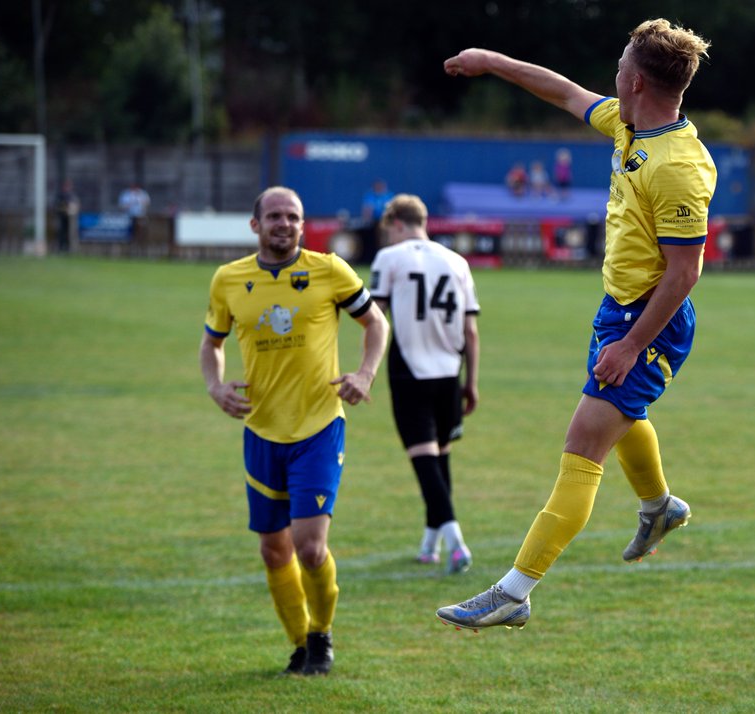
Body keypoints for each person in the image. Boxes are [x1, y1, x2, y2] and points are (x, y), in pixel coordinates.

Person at [437, 18, 716, 631]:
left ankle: (515, 591)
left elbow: (684, 273)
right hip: (618, 309)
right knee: (619, 414)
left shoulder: (679, 165)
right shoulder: (628, 123)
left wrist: (631, 345)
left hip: (650, 321)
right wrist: (490, 59)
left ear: (635, 80)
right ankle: (659, 506)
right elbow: (564, 91)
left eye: (620, 65)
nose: (613, 73)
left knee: (583, 444)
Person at [199, 186, 389, 675]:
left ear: (303, 225)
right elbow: (211, 343)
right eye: (275, 216)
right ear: (255, 225)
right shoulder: (228, 279)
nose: (284, 224)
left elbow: (376, 323)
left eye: (293, 217)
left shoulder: (330, 270)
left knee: (310, 547)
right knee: (273, 549)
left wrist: (365, 374)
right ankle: (300, 643)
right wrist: (215, 386)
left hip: (318, 428)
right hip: (261, 431)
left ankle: (321, 636)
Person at [368, 194, 480, 574]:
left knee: (424, 461)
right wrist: (471, 382)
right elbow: (471, 331)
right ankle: (430, 545)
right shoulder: (457, 262)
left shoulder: (389, 258)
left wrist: (364, 368)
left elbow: (375, 317)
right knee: (440, 457)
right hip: (449, 370)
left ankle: (456, 542)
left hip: (409, 369)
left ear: (397, 223)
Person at [54, 179, 80, 253]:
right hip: (62, 217)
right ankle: (61, 248)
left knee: (71, 234)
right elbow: (57, 206)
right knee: (62, 233)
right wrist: (63, 209)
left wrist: (71, 209)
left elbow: (76, 206)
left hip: (71, 218)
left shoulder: (73, 196)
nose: (66, 188)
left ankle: (71, 249)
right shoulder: (60, 196)